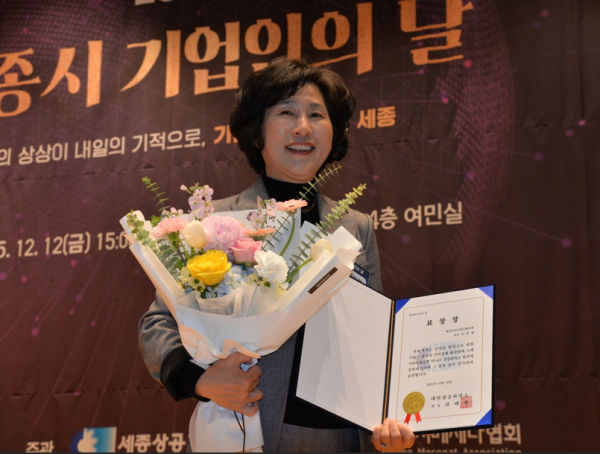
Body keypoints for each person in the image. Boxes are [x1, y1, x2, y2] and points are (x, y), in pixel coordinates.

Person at [138, 57, 415, 452]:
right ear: (257, 133)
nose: (303, 126)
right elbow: (157, 325)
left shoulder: (355, 227)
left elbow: (373, 335)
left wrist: (385, 420)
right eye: (287, 112)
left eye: (317, 114)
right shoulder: (215, 222)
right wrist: (200, 380)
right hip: (249, 427)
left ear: (333, 133)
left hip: (340, 436)